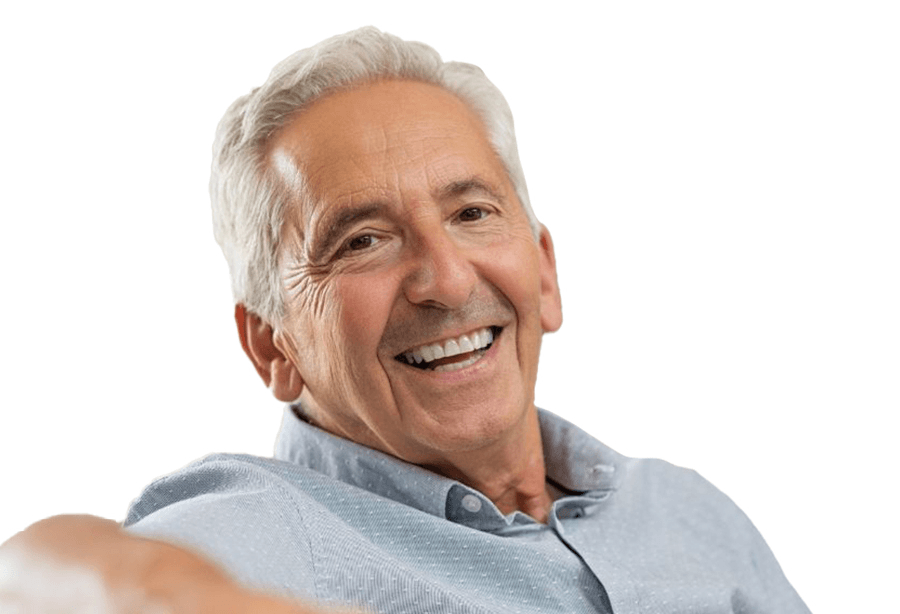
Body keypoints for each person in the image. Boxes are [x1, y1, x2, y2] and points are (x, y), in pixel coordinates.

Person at [0, 27, 809, 614]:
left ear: (546, 272)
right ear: (272, 345)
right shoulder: (272, 527)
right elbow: (35, 580)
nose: (446, 279)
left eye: (471, 212)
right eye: (361, 241)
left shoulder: (680, 507)